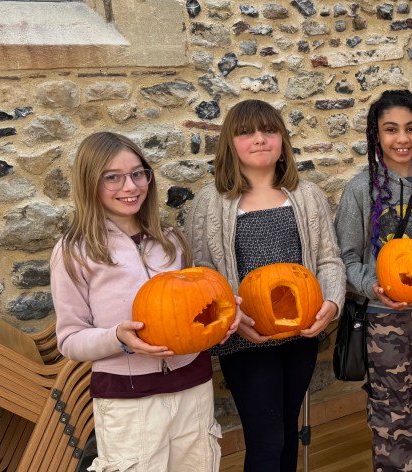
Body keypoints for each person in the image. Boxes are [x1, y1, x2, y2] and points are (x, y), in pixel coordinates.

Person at [51, 132, 239, 471]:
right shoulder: (74, 252)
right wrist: (118, 338)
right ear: (89, 182)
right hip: (128, 398)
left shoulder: (171, 241)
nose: (131, 186)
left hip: (192, 387)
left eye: (138, 173)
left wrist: (221, 320)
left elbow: (193, 307)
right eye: (113, 177)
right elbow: (69, 339)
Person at [184, 99, 346, 472]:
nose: (260, 139)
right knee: (266, 439)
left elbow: (329, 260)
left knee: (288, 432)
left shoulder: (307, 197)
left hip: (300, 335)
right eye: (246, 132)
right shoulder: (211, 204)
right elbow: (203, 273)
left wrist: (332, 305)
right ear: (230, 143)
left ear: (282, 140)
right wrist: (233, 318)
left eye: (269, 130)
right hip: (246, 339)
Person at [336, 89, 412, 471]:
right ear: (377, 136)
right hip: (381, 318)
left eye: (410, 129)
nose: (401, 139)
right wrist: (370, 285)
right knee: (390, 409)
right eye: (391, 130)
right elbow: (347, 258)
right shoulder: (362, 190)